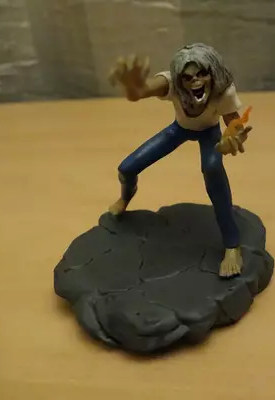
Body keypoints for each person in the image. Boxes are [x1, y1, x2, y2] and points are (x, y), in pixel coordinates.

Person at [107, 43, 252, 278]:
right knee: (127, 168)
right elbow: (143, 91)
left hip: (210, 133)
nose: (195, 82)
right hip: (179, 129)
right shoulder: (171, 83)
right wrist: (133, 88)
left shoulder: (222, 90)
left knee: (213, 169)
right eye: (187, 77)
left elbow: (234, 122)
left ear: (212, 73)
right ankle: (125, 197)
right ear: (179, 79)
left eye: (202, 74)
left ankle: (232, 246)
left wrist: (233, 136)